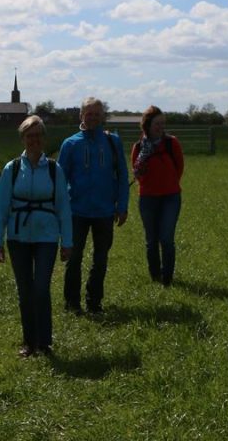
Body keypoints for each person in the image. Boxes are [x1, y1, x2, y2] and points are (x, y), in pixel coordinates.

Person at [0, 115, 72, 357]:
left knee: (41, 289)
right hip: (18, 238)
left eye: (38, 135)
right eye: (29, 136)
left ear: (43, 138)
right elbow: (0, 207)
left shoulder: (55, 170)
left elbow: (64, 208)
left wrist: (67, 242)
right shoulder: (12, 169)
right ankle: (29, 342)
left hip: (47, 237)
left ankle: (44, 342)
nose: (34, 140)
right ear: (23, 139)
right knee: (25, 290)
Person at [58, 97, 129, 315]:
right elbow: (60, 180)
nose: (93, 117)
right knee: (74, 258)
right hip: (76, 211)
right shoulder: (70, 144)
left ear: (102, 117)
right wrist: (59, 211)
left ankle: (94, 302)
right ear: (81, 116)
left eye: (97, 114)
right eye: (89, 114)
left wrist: (122, 205)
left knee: (101, 259)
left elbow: (122, 174)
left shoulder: (112, 142)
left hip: (105, 211)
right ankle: (72, 303)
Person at [131, 106, 184, 286]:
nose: (160, 127)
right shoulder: (138, 148)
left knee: (167, 239)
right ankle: (155, 276)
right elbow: (136, 173)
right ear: (147, 125)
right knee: (151, 240)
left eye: (163, 123)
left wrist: (168, 184)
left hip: (171, 197)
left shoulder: (172, 143)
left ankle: (167, 279)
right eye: (157, 123)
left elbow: (179, 168)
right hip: (148, 199)